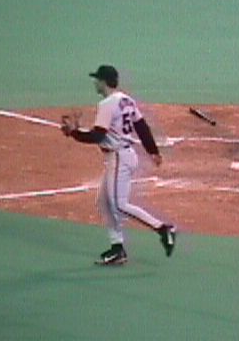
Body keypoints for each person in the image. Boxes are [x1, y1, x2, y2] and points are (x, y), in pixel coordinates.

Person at [60, 65, 176, 265]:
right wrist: (153, 150)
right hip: (124, 155)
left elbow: (98, 136)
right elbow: (141, 126)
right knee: (104, 202)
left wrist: (74, 132)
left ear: (104, 82)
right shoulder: (126, 100)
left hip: (119, 158)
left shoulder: (107, 104)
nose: (95, 83)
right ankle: (117, 248)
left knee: (119, 204)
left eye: (97, 79)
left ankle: (163, 229)